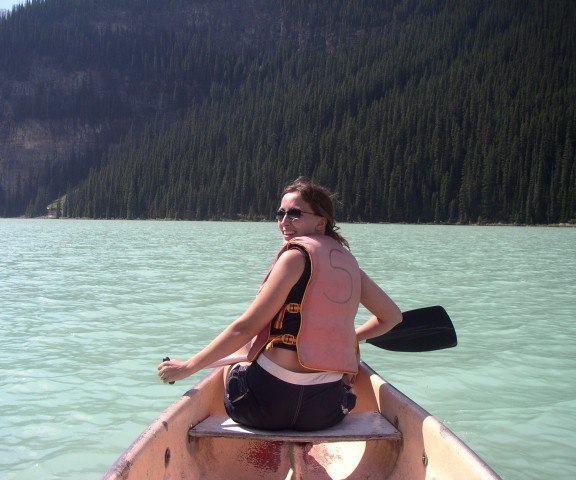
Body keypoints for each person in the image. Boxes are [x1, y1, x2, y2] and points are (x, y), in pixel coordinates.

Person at [157, 177, 402, 431]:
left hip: (267, 406)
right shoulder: (350, 264)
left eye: (295, 214)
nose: (284, 221)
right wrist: (351, 337)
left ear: (321, 221)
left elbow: (245, 327)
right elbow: (392, 317)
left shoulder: (295, 257)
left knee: (240, 350)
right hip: (324, 412)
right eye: (280, 213)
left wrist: (187, 367)